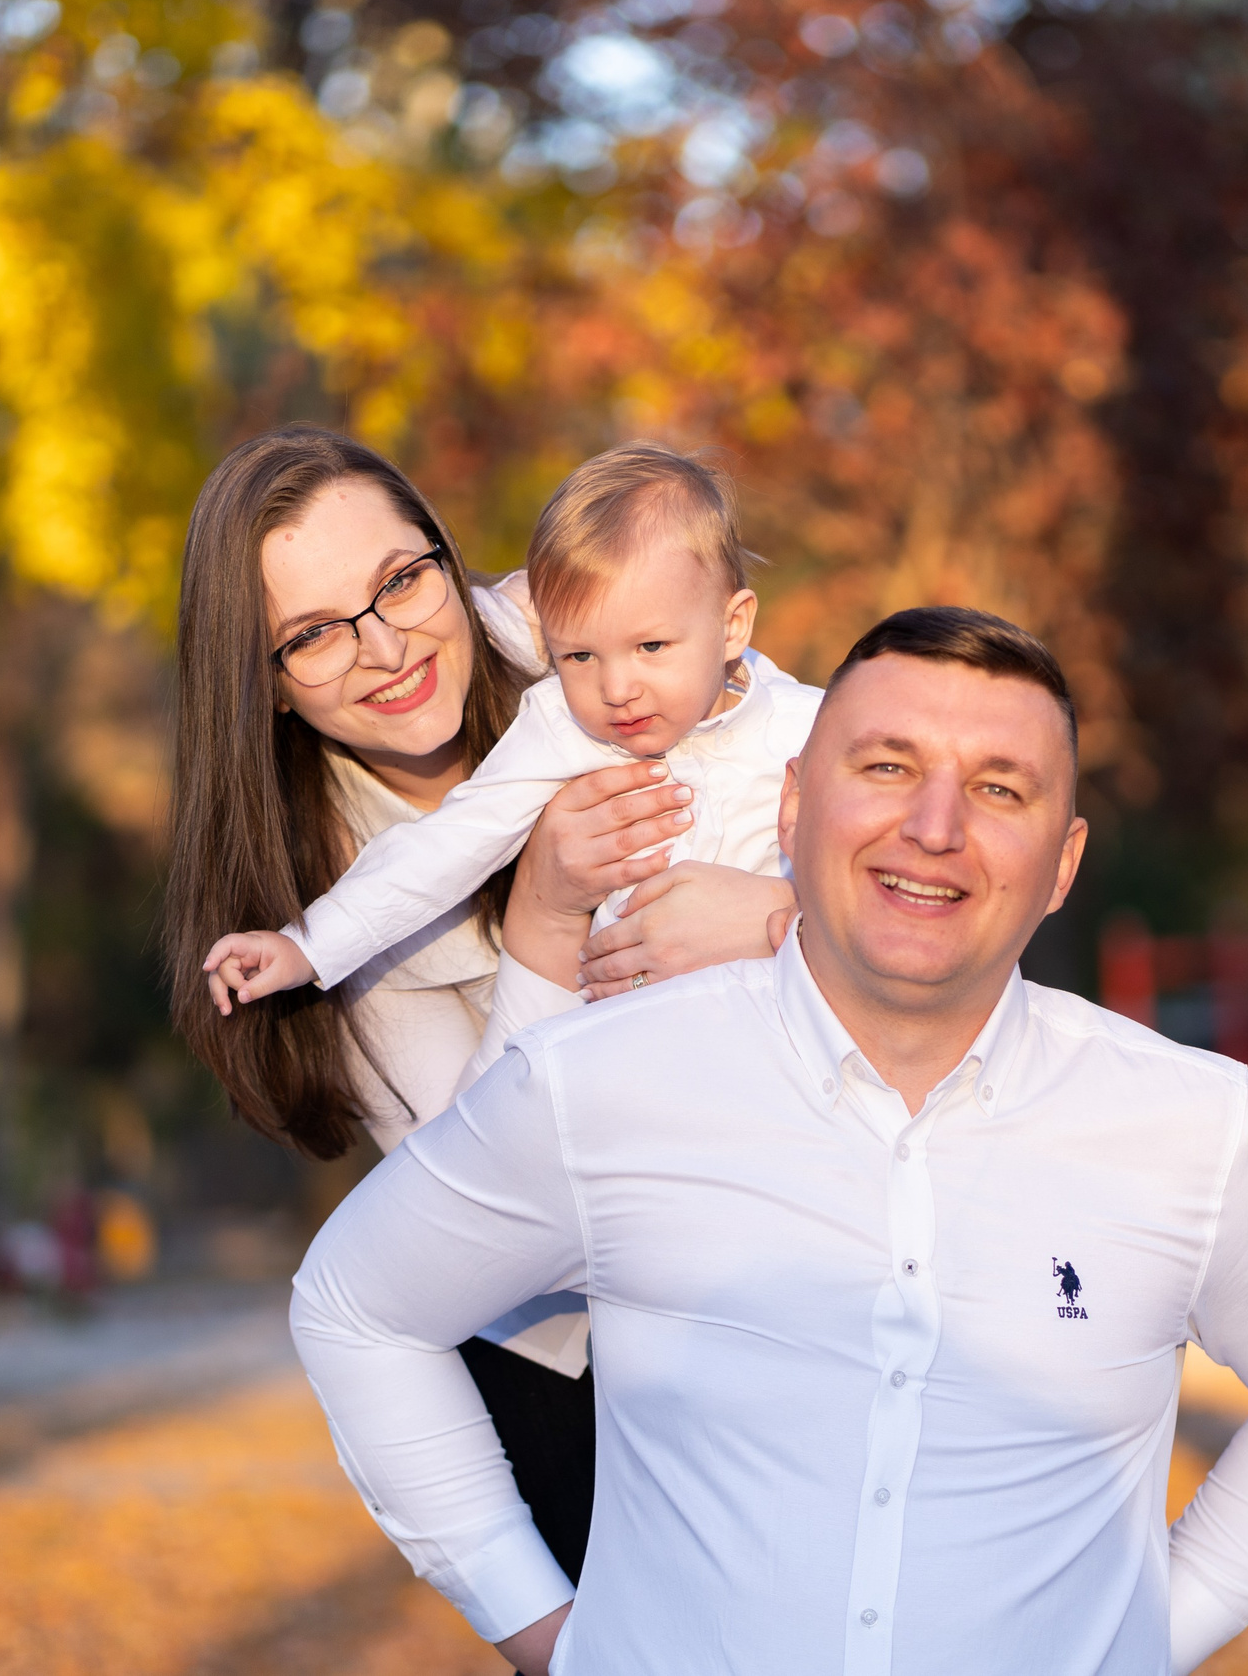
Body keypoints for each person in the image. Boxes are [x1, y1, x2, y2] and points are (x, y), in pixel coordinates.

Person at [292, 606, 1248, 1676]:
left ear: (1064, 866)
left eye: (999, 788)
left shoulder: (1193, 1129)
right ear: (792, 809)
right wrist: (539, 1626)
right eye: (886, 767)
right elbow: (358, 1306)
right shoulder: (599, 1086)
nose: (934, 829)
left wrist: (1150, 1632)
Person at [162, 424, 795, 1584]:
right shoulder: (323, 900)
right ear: (267, 687)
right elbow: (498, 1218)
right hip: (581, 1370)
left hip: (780, 1280)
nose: (385, 645)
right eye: (311, 635)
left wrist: (773, 919)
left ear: (448, 559)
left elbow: (855, 820)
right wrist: (547, 919)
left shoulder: (587, 640)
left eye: (402, 580)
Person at [199, 442, 817, 1012]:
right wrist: (307, 948)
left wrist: (790, 915)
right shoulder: (561, 729)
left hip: (793, 1019)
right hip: (637, 1034)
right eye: (579, 656)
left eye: (652, 646)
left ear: (733, 627)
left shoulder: (807, 725)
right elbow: (445, 844)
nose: (617, 689)